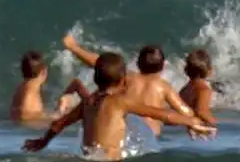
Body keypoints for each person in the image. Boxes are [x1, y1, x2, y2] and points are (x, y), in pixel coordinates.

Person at [22, 51, 216, 161]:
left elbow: (58, 124)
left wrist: (43, 141)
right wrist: (191, 121)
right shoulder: (120, 102)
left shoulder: (87, 103)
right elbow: (163, 115)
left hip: (87, 160)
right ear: (124, 81)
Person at [62, 34, 198, 137]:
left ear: (138, 64)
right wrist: (192, 123)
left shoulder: (128, 78)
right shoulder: (163, 87)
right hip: (150, 139)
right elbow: (186, 112)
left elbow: (99, 62)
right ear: (163, 67)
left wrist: (74, 48)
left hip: (126, 136)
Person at [10, 50, 89, 123]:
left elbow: (31, 114)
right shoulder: (29, 94)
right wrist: (59, 112)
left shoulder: (23, 88)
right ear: (44, 71)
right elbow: (25, 119)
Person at [178, 49, 218, 126]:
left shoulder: (184, 89)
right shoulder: (204, 90)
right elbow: (201, 112)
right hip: (196, 127)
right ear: (210, 70)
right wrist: (215, 124)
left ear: (186, 70)